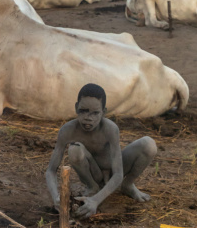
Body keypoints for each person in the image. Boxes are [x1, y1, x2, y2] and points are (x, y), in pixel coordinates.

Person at [45, 83, 157, 218]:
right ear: (76, 108)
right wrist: (56, 197)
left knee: (148, 144)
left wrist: (95, 201)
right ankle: (92, 187)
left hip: (113, 172)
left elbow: (118, 173)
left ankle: (127, 185)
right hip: (93, 174)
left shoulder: (110, 129)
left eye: (95, 113)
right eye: (83, 110)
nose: (88, 117)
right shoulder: (68, 131)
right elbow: (51, 170)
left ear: (104, 112)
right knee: (74, 149)